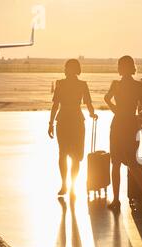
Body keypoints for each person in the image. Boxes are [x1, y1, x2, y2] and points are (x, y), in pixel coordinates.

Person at [104, 55, 142, 211]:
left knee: (116, 163)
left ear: (120, 68)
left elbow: (106, 98)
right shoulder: (138, 86)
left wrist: (116, 110)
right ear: (132, 67)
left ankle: (116, 199)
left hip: (118, 123)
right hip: (131, 124)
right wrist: (140, 115)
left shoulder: (116, 84)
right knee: (133, 162)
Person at [48, 59, 97, 196]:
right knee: (67, 154)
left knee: (69, 154)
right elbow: (56, 105)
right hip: (71, 120)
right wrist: (50, 123)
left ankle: (70, 185)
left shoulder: (68, 84)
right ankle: (66, 184)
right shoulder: (67, 84)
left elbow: (87, 103)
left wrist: (92, 113)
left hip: (67, 119)